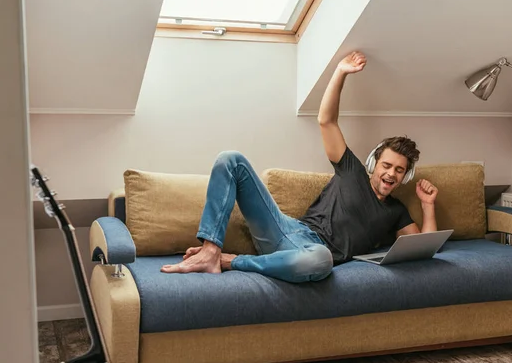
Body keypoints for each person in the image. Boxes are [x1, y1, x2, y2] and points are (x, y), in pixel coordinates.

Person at [161, 51, 439, 282]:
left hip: (312, 254)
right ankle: (211, 251)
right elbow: (326, 121)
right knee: (230, 159)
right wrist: (340, 73)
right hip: (286, 229)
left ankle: (233, 261)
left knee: (321, 261)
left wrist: (427, 204)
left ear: (405, 176)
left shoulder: (396, 212)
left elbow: (422, 249)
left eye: (399, 170)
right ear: (374, 163)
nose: (390, 173)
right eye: (387, 165)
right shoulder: (352, 170)